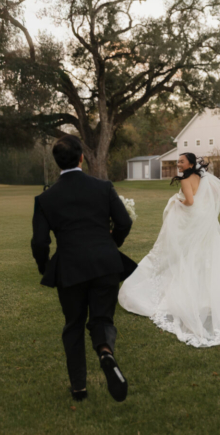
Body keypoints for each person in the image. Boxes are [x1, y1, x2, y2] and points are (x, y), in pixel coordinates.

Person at [31, 135, 133, 402]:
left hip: (70, 268)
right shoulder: (103, 187)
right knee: (101, 319)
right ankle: (105, 353)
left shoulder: (45, 199)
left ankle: (79, 388)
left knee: (73, 325)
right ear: (82, 158)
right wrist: (111, 245)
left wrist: (45, 267)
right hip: (105, 264)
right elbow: (123, 222)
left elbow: (40, 242)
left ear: (56, 163)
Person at [119, 152, 220, 348]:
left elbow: (190, 201)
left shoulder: (187, 178)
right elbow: (210, 194)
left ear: (190, 163)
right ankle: (205, 297)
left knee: (178, 254)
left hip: (188, 220)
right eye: (178, 161)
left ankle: (178, 295)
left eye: (181, 161)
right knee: (198, 256)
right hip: (199, 220)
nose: (178, 164)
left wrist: (176, 201)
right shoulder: (201, 177)